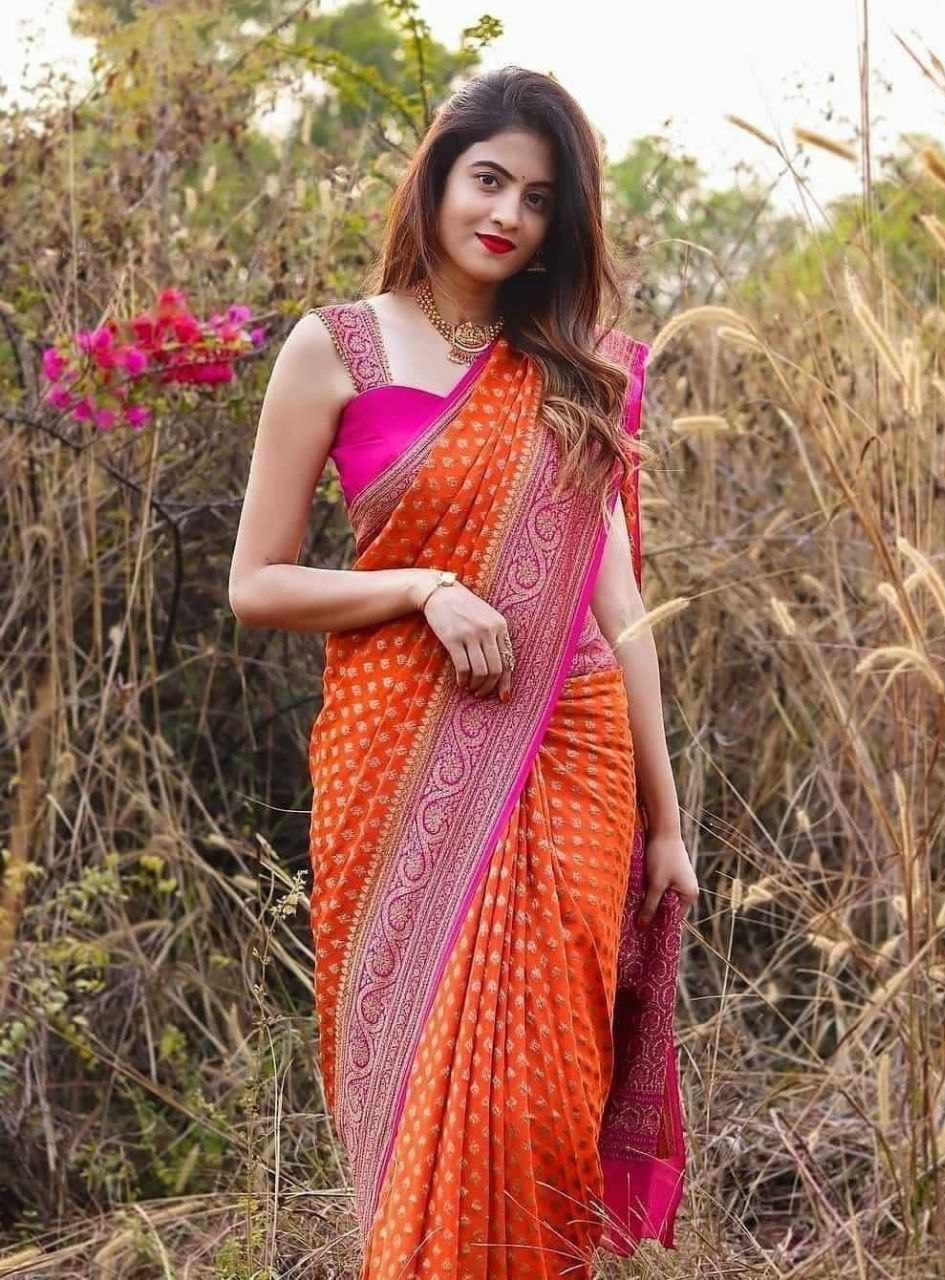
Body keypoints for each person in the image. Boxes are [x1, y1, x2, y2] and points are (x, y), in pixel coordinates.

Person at [228, 63, 699, 1280]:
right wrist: (420, 586)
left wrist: (665, 821)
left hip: (572, 755)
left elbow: (622, 606)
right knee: (429, 1087)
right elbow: (257, 582)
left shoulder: (575, 370)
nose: (507, 215)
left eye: (539, 199)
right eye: (488, 179)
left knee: (540, 1098)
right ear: (438, 175)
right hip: (396, 754)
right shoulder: (334, 347)